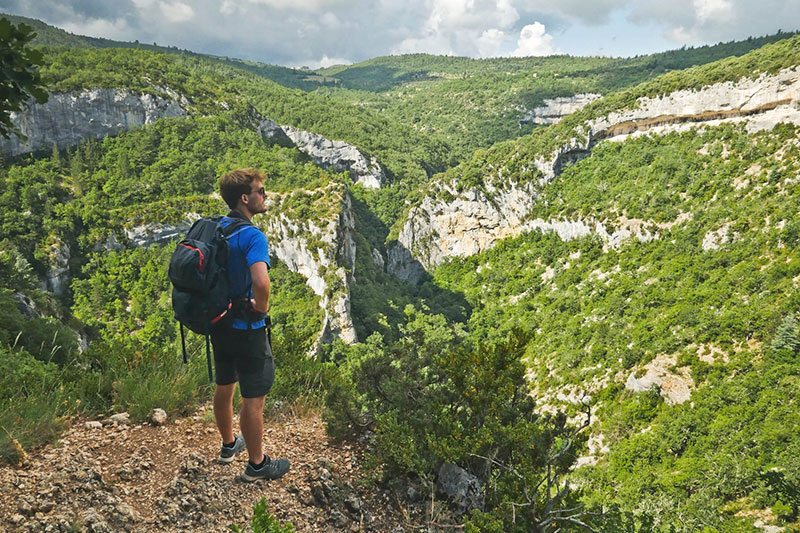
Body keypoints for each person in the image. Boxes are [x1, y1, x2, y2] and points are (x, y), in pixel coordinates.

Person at [211, 167, 290, 482]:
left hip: (219, 324)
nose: (265, 195)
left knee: (225, 385)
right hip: (247, 328)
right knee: (253, 399)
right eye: (260, 191)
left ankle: (229, 445)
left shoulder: (217, 227)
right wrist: (262, 307)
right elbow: (262, 281)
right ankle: (257, 466)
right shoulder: (253, 235)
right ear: (245, 198)